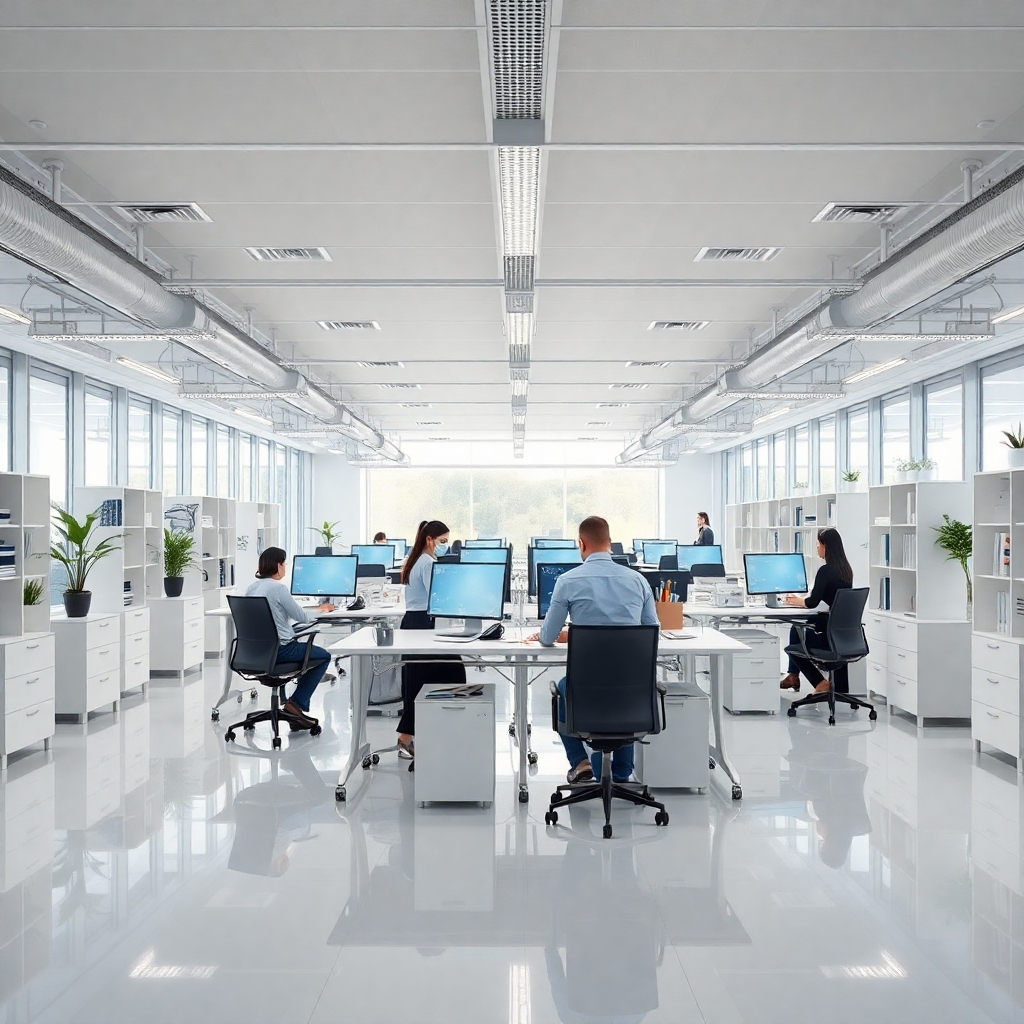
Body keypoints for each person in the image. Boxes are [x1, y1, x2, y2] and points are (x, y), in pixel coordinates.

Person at [530, 516, 659, 785]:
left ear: (581, 543)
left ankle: (580, 762)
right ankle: (621, 773)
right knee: (624, 689)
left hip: (586, 686)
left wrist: (571, 635)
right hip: (631, 685)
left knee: (565, 688)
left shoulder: (567, 581)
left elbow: (546, 638)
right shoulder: (638, 581)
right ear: (610, 543)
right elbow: (651, 630)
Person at [395, 519, 466, 758]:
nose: (445, 546)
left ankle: (411, 736)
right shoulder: (426, 563)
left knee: (420, 679)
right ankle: (410, 738)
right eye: (443, 541)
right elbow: (437, 597)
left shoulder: (416, 559)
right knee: (448, 673)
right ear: (429, 539)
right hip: (423, 623)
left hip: (415, 622)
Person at [245, 547, 334, 730]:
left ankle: (294, 707)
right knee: (323, 656)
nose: (285, 568)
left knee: (308, 651)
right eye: (284, 564)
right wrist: (320, 609)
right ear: (278, 565)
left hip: (255, 654)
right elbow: (302, 617)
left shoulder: (252, 588)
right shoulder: (278, 588)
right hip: (281, 651)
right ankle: (295, 705)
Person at [780, 527, 854, 694]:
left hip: (825, 636)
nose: (817, 548)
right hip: (843, 636)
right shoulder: (846, 570)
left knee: (794, 641)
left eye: (818, 544)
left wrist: (797, 601)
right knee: (799, 628)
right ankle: (795, 676)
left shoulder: (826, 570)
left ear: (825, 546)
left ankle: (819, 682)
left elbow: (813, 602)